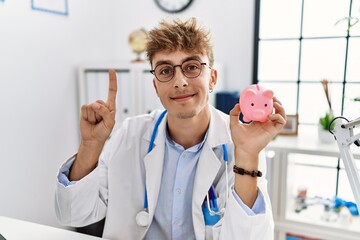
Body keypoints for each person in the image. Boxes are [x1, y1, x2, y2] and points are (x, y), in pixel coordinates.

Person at [55, 17, 286, 240]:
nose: (179, 82)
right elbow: (74, 214)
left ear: (212, 78)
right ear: (156, 86)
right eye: (166, 71)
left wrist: (246, 155)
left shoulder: (241, 141)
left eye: (192, 67)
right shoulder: (130, 134)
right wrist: (90, 145)